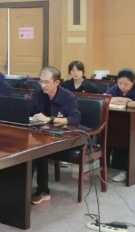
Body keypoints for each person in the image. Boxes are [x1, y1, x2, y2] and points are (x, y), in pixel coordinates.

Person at [29, 67, 81, 205]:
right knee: (28, 148)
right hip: (44, 133)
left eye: (46, 82)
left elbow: (75, 119)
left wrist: (50, 119)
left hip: (64, 136)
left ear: (57, 82)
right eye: (41, 81)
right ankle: (23, 188)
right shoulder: (38, 94)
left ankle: (43, 191)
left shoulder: (68, 96)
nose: (43, 85)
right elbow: (31, 112)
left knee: (39, 151)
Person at [106, 68, 135, 182]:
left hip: (133, 125)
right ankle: (112, 168)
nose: (123, 86)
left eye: (126, 84)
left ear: (133, 82)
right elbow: (105, 99)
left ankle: (125, 171)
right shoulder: (115, 88)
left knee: (125, 139)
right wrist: (125, 100)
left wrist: (125, 102)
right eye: (120, 83)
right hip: (118, 122)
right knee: (114, 137)